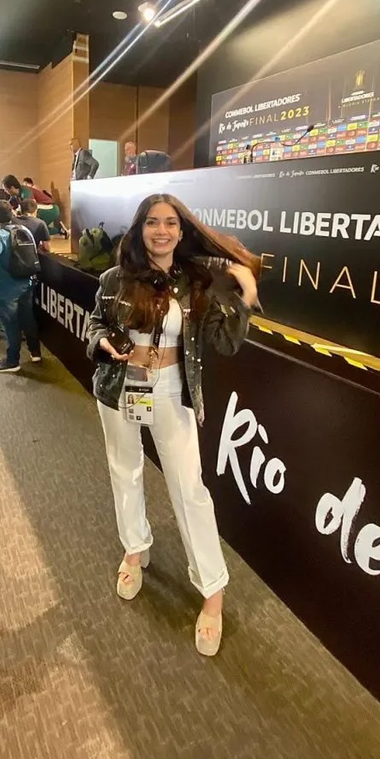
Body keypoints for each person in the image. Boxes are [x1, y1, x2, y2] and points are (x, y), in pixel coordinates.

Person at [86, 193, 259, 657]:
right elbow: (95, 323)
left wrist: (245, 295)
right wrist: (103, 342)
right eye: (152, 222)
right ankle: (135, 547)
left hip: (171, 388)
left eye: (170, 223)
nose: (161, 231)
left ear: (182, 232)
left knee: (189, 488)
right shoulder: (112, 278)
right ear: (140, 228)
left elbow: (224, 344)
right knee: (125, 472)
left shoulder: (196, 283)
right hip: (122, 386)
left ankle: (212, 588)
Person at [0, 201, 42, 373]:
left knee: (10, 323)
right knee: (28, 318)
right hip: (26, 283)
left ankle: (12, 360)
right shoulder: (25, 230)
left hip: (6, 287)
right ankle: (35, 351)